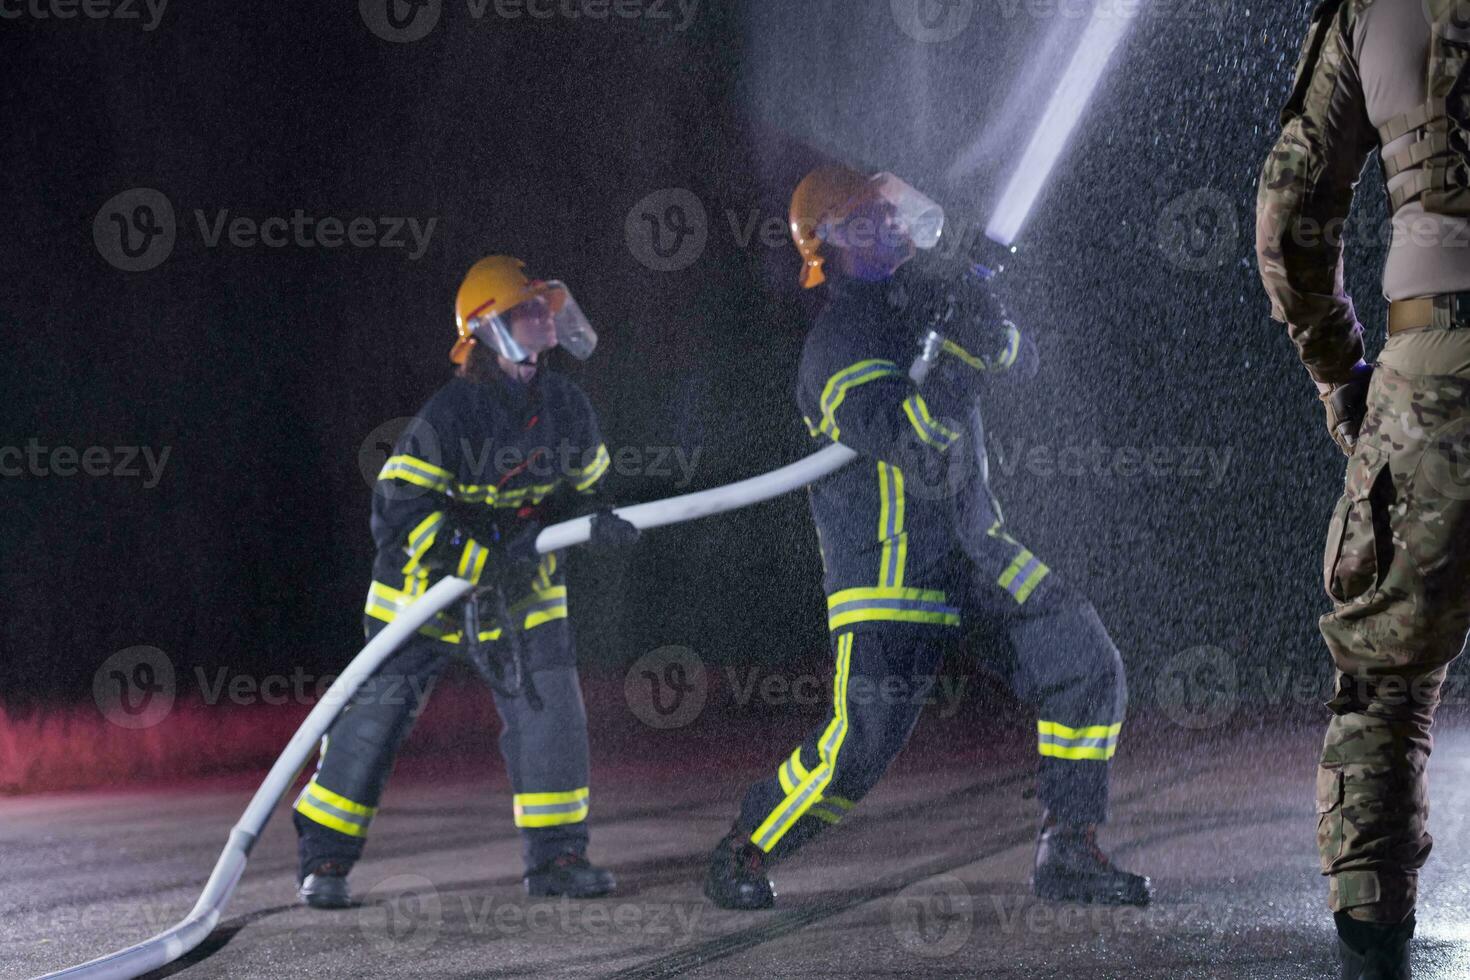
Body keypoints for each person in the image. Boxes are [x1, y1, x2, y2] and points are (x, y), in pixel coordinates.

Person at [702, 164, 1150, 911]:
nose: (891, 222)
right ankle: (745, 846)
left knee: (1084, 661)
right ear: (833, 241)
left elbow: (1020, 358)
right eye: (869, 216)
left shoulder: (925, 304)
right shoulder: (838, 345)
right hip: (890, 574)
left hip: (974, 551)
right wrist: (961, 360)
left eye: (889, 208)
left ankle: (1066, 848)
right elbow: (920, 445)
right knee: (859, 748)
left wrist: (983, 315)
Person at [292, 255, 638, 908]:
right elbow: (399, 512)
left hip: (524, 595)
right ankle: (324, 860)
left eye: (546, 309)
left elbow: (586, 491)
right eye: (528, 311)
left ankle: (558, 858)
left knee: (552, 714)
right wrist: (478, 557)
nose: (544, 320)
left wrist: (601, 520)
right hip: (424, 597)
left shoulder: (568, 408)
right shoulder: (450, 415)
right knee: (374, 721)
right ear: (488, 331)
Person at [1257, 1, 1470, 975]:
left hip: (1434, 365)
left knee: (1386, 682)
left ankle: (1373, 951)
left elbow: (1292, 213)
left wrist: (1341, 375)